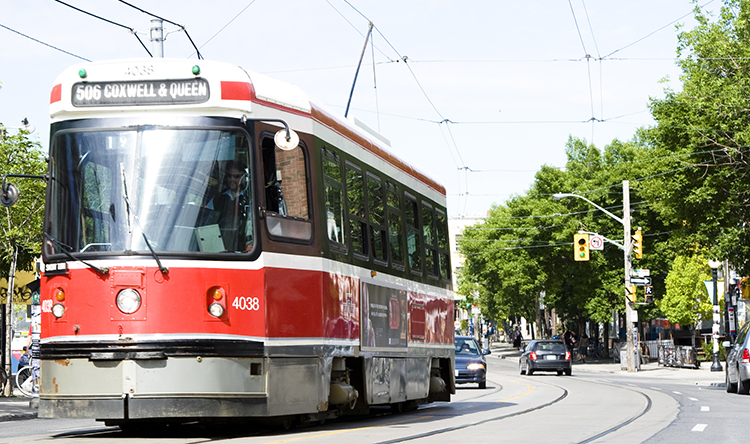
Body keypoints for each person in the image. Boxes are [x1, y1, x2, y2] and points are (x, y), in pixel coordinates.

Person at [206, 161, 251, 251]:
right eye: (230, 176)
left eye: (236, 176)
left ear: (244, 178)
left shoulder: (249, 199)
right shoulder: (217, 199)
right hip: (218, 245)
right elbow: (207, 222)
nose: (232, 179)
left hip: (242, 246)